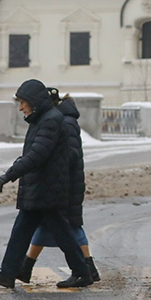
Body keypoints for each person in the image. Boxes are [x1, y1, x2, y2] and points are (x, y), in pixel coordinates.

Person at [0, 79, 93, 289]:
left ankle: (81, 272)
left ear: (34, 102)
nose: (20, 107)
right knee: (27, 230)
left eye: (23, 102)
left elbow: (37, 155)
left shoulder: (50, 120)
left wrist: (9, 174)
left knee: (57, 233)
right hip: (42, 187)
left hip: (46, 188)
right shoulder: (42, 119)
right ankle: (9, 273)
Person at [17, 90, 100, 284]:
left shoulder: (64, 122)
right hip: (62, 180)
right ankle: (26, 267)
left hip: (66, 182)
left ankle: (88, 268)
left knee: (70, 225)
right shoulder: (62, 119)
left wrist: (48, 160)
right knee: (49, 224)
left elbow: (69, 154)